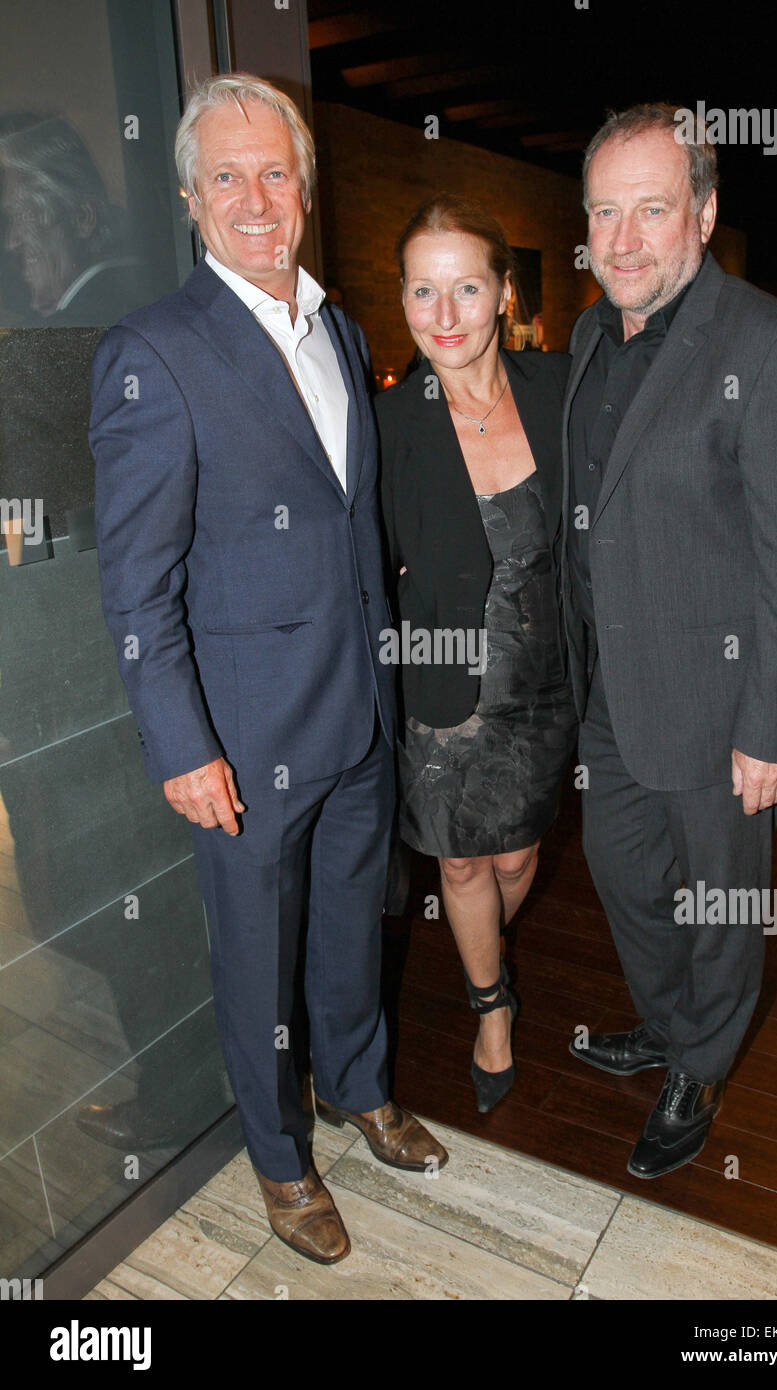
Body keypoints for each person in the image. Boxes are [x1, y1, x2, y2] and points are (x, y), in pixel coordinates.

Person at [89, 73, 446, 1266]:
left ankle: (357, 1085)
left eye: (275, 171)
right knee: (255, 953)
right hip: (240, 735)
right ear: (191, 198)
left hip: (354, 710)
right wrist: (181, 743)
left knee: (353, 919)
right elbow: (136, 582)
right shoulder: (154, 350)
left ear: (305, 188)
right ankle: (280, 1158)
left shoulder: (338, 327)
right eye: (226, 176)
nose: (256, 197)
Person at [562, 103, 777, 1178]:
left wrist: (775, 727)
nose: (621, 240)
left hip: (724, 704)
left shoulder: (775, 350)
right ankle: (671, 1022)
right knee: (624, 874)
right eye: (602, 212)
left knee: (719, 900)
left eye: (650, 210)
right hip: (611, 692)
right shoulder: (590, 335)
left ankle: (702, 1061)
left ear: (704, 213)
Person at [377, 196, 578, 1114]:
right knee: (460, 866)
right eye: (425, 291)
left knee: (513, 862)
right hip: (445, 685)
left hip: (545, 684)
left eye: (466, 288)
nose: (445, 316)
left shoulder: (560, 390)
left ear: (503, 293)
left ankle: (490, 944)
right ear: (405, 299)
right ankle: (491, 1005)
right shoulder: (388, 426)